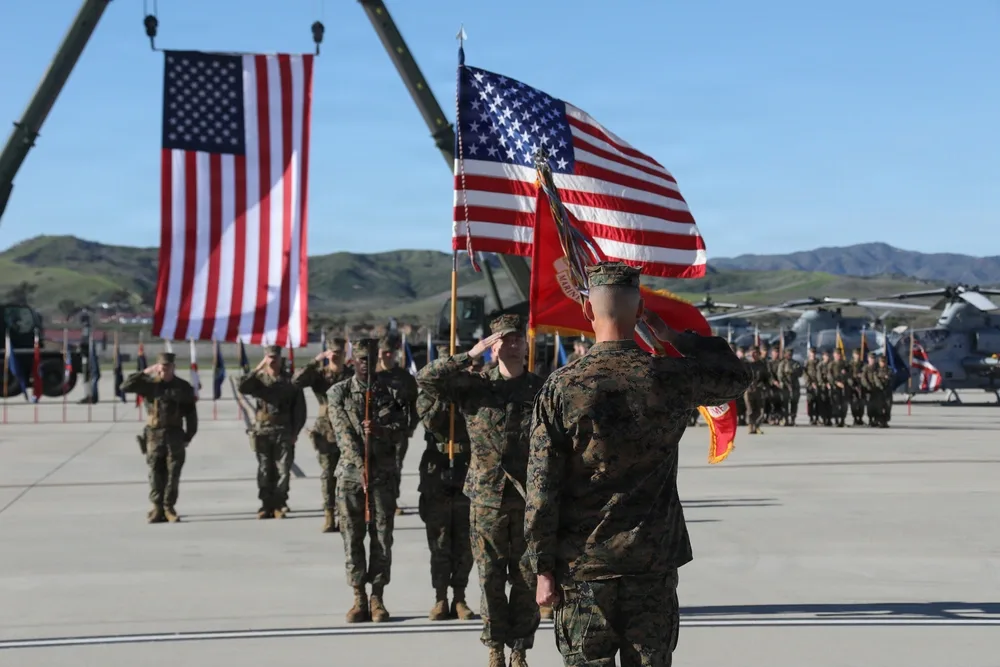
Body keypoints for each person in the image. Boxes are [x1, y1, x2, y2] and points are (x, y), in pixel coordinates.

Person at [524, 261, 752, 667]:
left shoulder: (562, 387)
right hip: (652, 560)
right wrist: (675, 337)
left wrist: (542, 568)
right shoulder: (668, 377)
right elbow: (735, 375)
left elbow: (542, 488)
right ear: (641, 310)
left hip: (584, 565)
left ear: (588, 312)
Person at [417, 314, 543, 667]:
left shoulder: (540, 388)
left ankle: (519, 648)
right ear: (493, 346)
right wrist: (468, 355)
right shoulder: (476, 387)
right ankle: (495, 648)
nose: (513, 343)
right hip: (486, 498)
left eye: (518, 337)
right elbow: (425, 380)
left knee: (525, 579)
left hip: (527, 499)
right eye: (503, 338)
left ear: (526, 343)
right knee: (489, 579)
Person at [329, 338, 409, 623]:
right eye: (361, 358)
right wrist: (360, 465)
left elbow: (403, 429)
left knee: (382, 537)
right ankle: (357, 596)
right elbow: (343, 434)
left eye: (370, 358)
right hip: (351, 477)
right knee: (352, 537)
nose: (365, 363)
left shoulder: (390, 393)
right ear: (353, 360)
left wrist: (380, 431)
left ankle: (377, 596)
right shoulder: (338, 392)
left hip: (383, 476)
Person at [417, 344, 476, 621]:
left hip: (466, 471)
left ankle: (460, 597)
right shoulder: (428, 394)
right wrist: (444, 395)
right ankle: (441, 597)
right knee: (439, 542)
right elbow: (430, 422)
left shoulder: (472, 392)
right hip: (437, 473)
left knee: (464, 542)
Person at [121, 352, 199, 523]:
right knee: (155, 472)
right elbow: (125, 387)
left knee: (173, 474)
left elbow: (191, 413)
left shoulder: (182, 387)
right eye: (161, 367)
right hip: (154, 435)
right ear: (158, 367)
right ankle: (157, 507)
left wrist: (189, 435)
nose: (165, 370)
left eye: (168, 367)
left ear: (173, 367)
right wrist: (145, 372)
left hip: (174, 435)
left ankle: (168, 507)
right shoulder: (149, 385)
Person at [291, 338, 354, 532]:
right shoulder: (319, 375)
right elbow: (296, 381)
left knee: (348, 477)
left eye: (338, 353)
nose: (335, 357)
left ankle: (345, 516)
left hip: (348, 430)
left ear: (345, 355)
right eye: (332, 353)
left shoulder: (352, 375)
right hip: (325, 431)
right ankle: (329, 515)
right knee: (328, 475)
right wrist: (315, 361)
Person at [238, 345, 307, 519]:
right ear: (265, 358)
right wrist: (257, 369)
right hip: (263, 431)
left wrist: (295, 432)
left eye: (275, 357)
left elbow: (299, 410)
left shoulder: (289, 381)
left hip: (284, 430)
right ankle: (266, 505)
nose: (272, 360)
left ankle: (279, 503)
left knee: (283, 470)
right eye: (269, 357)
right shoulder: (259, 380)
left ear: (280, 358)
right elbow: (243, 387)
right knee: (264, 469)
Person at [376, 337, 419, 516]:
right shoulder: (372, 375)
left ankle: (392, 501)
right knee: (376, 467)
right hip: (377, 431)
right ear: (378, 354)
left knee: (395, 466)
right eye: (384, 352)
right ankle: (376, 502)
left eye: (390, 352)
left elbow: (415, 403)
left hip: (398, 431)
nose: (388, 355)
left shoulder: (404, 377)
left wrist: (411, 427)